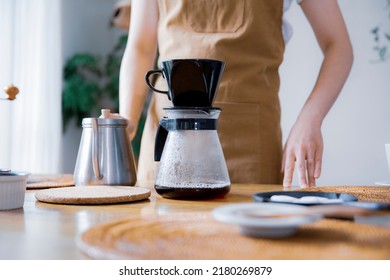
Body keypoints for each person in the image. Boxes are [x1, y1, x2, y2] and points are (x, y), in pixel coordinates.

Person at [119, 0, 353, 188]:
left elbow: (338, 46)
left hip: (251, 144)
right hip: (171, 141)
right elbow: (141, 46)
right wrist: (126, 123)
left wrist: (309, 121)